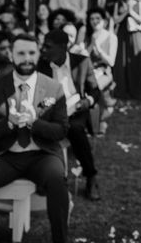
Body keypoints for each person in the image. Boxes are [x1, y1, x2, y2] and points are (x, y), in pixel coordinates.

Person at [0, 33, 69, 243]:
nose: (26, 58)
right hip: (6, 156)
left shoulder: (53, 88)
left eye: (31, 53)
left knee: (57, 179)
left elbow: (61, 131)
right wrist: (8, 124)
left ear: (38, 53)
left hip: (42, 155)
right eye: (20, 53)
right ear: (11, 55)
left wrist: (35, 123)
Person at [38, 29, 101, 201]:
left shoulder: (82, 62)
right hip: (51, 112)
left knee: (75, 129)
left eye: (48, 46)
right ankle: (47, 178)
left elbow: (95, 91)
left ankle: (91, 176)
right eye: (43, 45)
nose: (43, 50)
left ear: (63, 47)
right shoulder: (41, 65)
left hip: (76, 111)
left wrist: (87, 102)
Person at [113, 0, 141, 100]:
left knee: (136, 62)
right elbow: (116, 19)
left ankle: (136, 90)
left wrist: (131, 12)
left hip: (135, 34)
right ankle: (122, 90)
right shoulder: (118, 2)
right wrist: (125, 12)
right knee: (121, 62)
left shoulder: (139, 3)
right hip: (122, 35)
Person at [86, 7, 118, 135]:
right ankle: (89, 122)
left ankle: (102, 121)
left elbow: (111, 61)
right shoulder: (88, 36)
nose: (95, 21)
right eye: (92, 19)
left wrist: (98, 49)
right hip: (89, 71)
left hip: (104, 72)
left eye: (97, 18)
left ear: (104, 21)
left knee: (96, 87)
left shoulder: (111, 37)